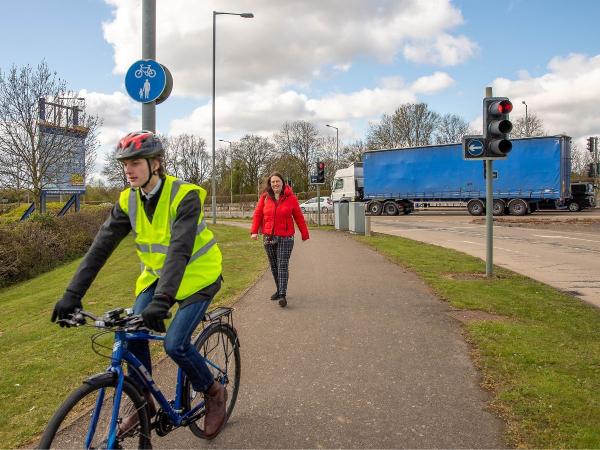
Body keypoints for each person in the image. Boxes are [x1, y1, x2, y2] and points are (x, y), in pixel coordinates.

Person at [51, 130, 227, 439]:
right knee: (132, 333)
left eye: (135, 162)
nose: (128, 170)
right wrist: (72, 294)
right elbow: (100, 247)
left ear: (156, 163)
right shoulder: (128, 200)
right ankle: (143, 399)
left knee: (175, 343)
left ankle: (212, 391)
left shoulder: (184, 195)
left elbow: (180, 249)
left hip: (199, 276)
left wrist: (163, 299)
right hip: (159, 278)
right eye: (124, 164)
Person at [250, 173, 309, 307]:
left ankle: (282, 294)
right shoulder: (265, 198)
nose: (275, 184)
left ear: (283, 183)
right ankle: (278, 289)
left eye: (278, 181)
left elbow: (298, 216)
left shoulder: (291, 198)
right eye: (273, 182)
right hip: (269, 236)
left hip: (286, 237)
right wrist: (254, 231)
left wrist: (304, 234)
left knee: (282, 264)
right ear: (270, 184)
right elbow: (258, 214)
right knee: (274, 265)